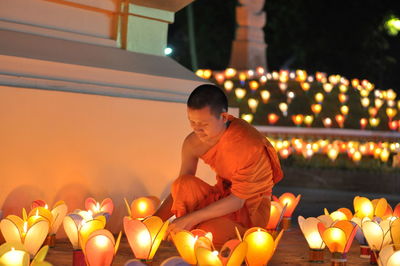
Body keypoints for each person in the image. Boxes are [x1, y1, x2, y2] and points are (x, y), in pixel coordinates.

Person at [154, 84, 283, 246]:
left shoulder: (248, 145)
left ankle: (205, 231)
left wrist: (190, 218)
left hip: (250, 209)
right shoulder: (192, 143)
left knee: (208, 233)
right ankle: (195, 231)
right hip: (221, 196)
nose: (197, 130)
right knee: (182, 184)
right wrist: (154, 221)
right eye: (192, 122)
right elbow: (179, 190)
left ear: (223, 117)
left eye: (204, 124)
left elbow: (238, 201)